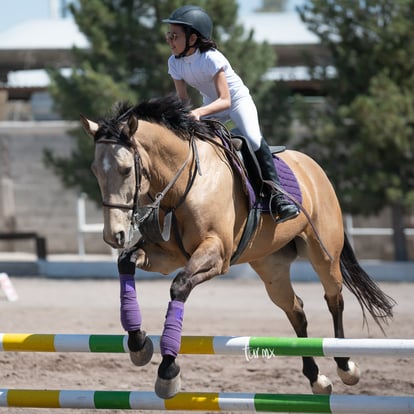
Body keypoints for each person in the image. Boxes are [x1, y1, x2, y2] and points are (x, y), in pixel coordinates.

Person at [163, 5, 299, 223]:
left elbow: (225, 100)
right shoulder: (174, 62)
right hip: (211, 104)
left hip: (236, 101)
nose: (169, 40)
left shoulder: (211, 58)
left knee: (253, 139)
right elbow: (183, 100)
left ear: (192, 38)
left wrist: (198, 113)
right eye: (168, 35)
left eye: (174, 36)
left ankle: (278, 196)